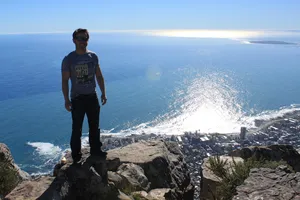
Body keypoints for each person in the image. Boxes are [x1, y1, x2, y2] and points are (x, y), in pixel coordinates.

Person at [61, 28, 107, 163]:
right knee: (77, 128)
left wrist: (103, 93)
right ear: (74, 40)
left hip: (92, 96)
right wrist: (66, 100)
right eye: (80, 38)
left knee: (95, 126)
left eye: (85, 38)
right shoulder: (69, 59)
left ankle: (95, 151)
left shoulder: (93, 56)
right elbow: (64, 80)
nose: (83, 41)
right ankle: (76, 156)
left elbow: (99, 75)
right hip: (77, 98)